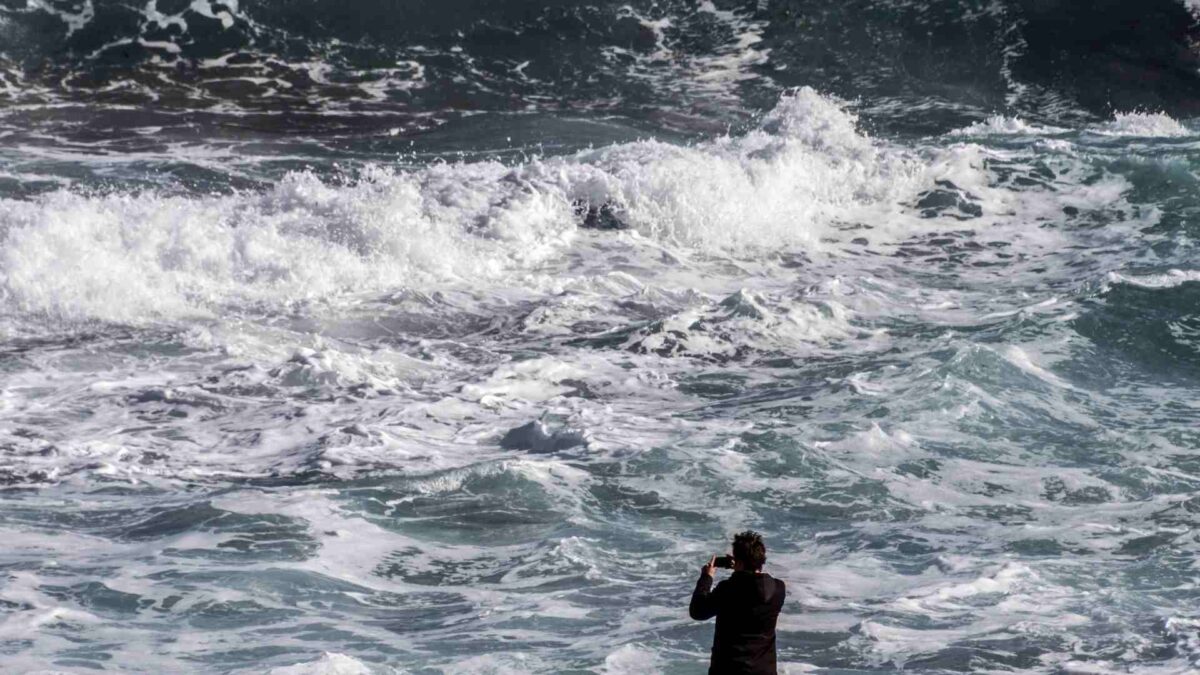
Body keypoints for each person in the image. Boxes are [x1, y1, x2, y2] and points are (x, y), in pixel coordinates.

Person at [689, 531, 786, 675]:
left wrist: (707, 577)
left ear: (739, 561)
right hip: (764, 670)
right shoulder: (778, 588)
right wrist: (740, 567)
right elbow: (753, 585)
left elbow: (697, 611)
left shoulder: (728, 589)